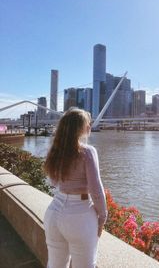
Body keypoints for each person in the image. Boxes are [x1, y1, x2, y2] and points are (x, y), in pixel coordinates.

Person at [43, 108, 107, 268]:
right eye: (88, 123)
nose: (90, 126)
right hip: (80, 215)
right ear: (81, 128)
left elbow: (53, 181)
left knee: (55, 264)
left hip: (53, 212)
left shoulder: (56, 151)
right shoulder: (87, 151)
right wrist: (102, 216)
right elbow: (96, 189)